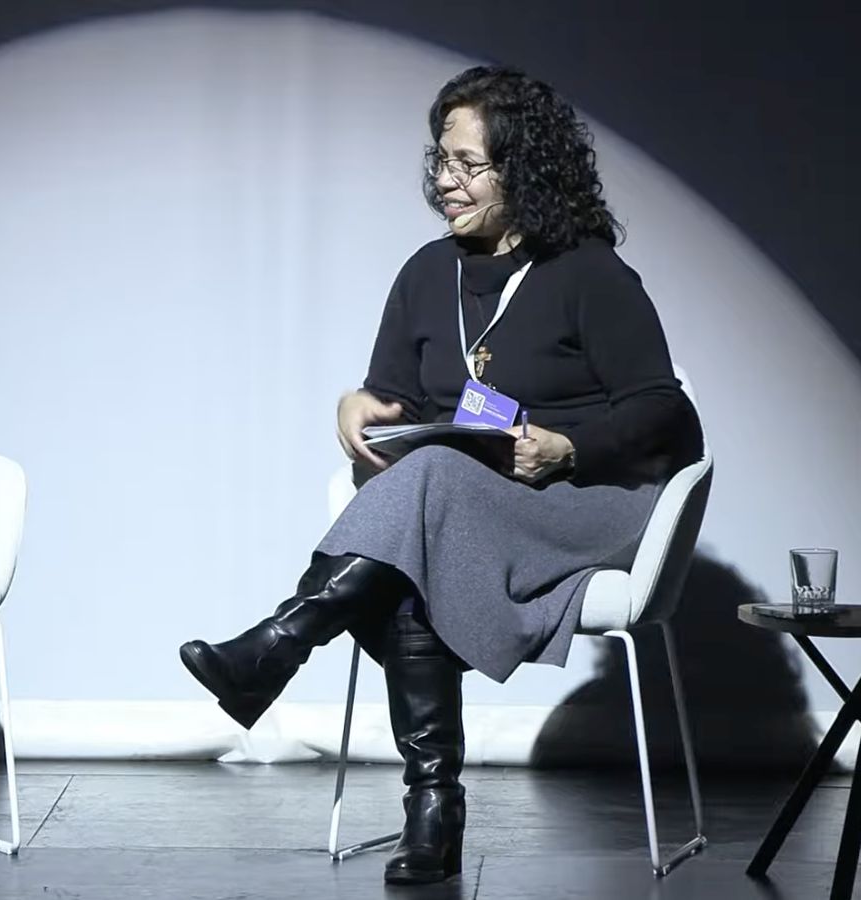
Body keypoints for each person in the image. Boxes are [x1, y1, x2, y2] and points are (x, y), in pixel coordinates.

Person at [178, 66, 702, 885]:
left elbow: (668, 414)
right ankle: (432, 813)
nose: (445, 183)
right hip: (468, 500)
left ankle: (280, 643)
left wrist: (565, 448)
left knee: (429, 486)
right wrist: (355, 405)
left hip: (586, 504)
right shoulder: (427, 272)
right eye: (439, 162)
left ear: (521, 169)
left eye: (467, 165)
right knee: (419, 530)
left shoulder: (588, 272)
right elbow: (394, 396)